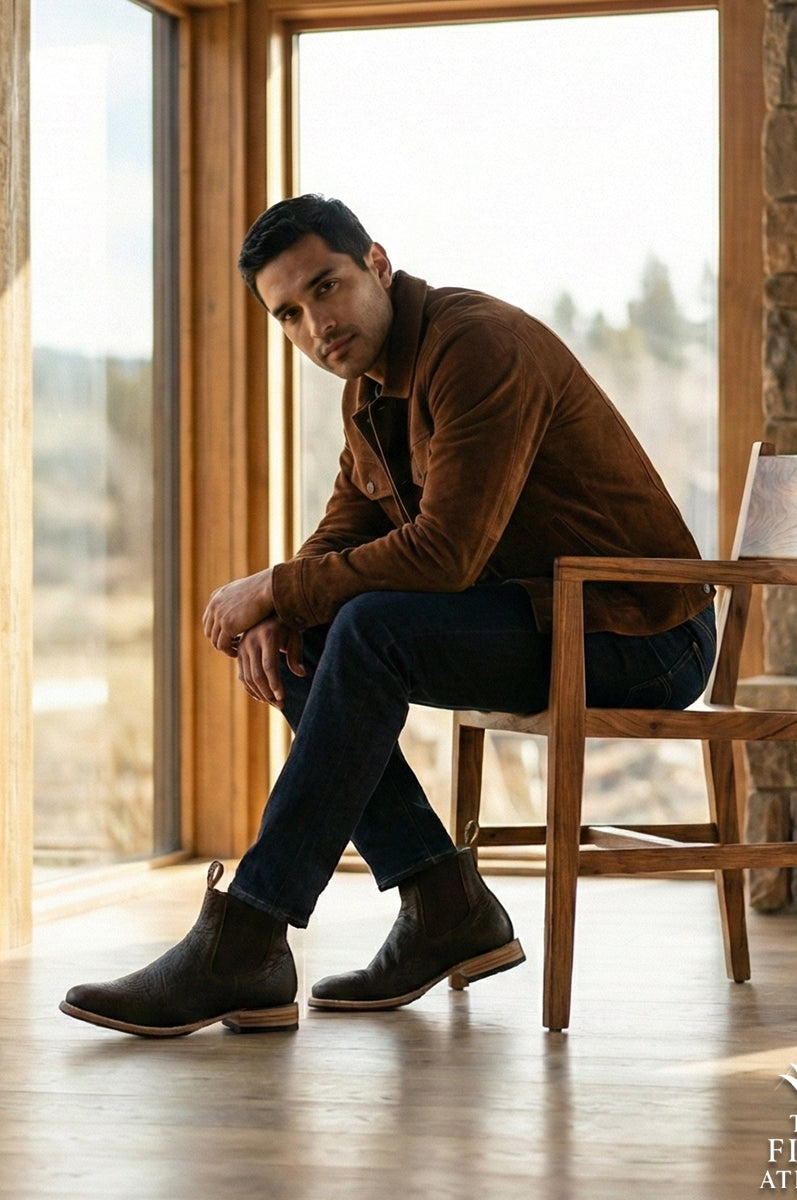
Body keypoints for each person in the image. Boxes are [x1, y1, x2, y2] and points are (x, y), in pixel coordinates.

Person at [60, 195, 716, 1037]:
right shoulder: (369, 387)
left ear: (376, 262)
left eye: (325, 288)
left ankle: (249, 934)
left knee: (368, 630)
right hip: (546, 619)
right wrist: (283, 608)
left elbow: (446, 555)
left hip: (641, 633)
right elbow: (347, 525)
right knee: (317, 635)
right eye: (289, 314)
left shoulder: (476, 348)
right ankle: (440, 903)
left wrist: (277, 588)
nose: (316, 326)